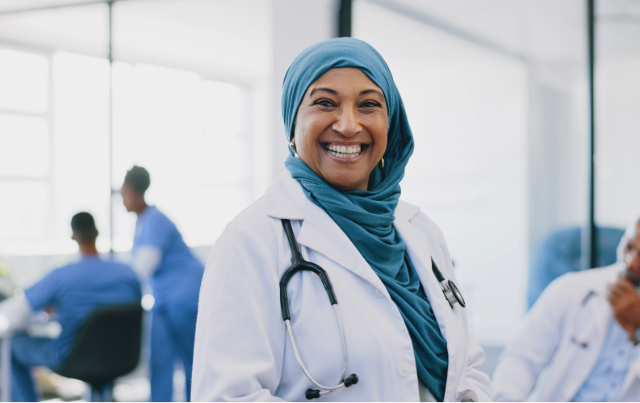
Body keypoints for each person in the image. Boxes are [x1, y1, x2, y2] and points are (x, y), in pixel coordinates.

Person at [192, 38, 491, 402]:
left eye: (368, 105)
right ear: (292, 124)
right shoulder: (251, 240)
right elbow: (228, 397)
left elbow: (467, 366)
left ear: (391, 123)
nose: (349, 126)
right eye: (324, 103)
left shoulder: (420, 230)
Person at [492, 217, 640, 401]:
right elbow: (522, 358)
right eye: (628, 247)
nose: (631, 263)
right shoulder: (570, 289)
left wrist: (637, 327)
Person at [0, 212, 141, 402]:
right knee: (105, 346)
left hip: (72, 357)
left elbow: (14, 313)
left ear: (73, 236)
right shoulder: (128, 274)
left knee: (13, 347)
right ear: (97, 233)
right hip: (120, 357)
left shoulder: (61, 276)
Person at [120, 166, 204, 402]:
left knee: (192, 362)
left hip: (185, 297)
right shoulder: (142, 222)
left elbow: (143, 267)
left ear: (136, 193)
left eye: (125, 194)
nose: (123, 200)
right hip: (163, 302)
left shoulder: (156, 220)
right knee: (159, 362)